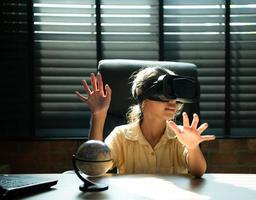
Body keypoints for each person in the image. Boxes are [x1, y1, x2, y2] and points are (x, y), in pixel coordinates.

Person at [75, 67, 215, 177]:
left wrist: (192, 147)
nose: (172, 101)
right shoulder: (121, 136)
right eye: (164, 93)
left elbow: (198, 172)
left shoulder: (181, 135)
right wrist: (98, 115)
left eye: (175, 96)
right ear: (142, 95)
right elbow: (95, 167)